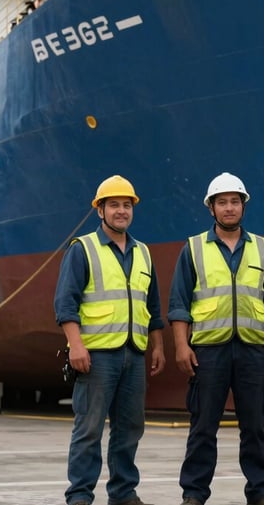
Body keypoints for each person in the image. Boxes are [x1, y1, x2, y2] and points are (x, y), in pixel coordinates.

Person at [168, 172, 264, 505]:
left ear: (243, 206)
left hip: (251, 350)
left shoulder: (262, 249)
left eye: (235, 201)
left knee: (255, 427)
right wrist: (181, 346)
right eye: (222, 202)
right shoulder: (192, 249)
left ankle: (261, 492)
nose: (229, 208)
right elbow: (179, 304)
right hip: (208, 352)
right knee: (203, 427)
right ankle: (193, 494)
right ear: (211, 208)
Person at [54, 175, 165, 505]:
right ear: (99, 210)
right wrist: (76, 345)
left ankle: (123, 493)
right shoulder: (82, 249)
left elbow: (153, 305)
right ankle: (79, 496)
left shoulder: (143, 252)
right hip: (96, 356)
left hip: (134, 354)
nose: (121, 211)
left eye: (126, 205)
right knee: (88, 429)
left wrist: (157, 345)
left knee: (130, 428)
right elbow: (65, 302)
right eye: (114, 205)